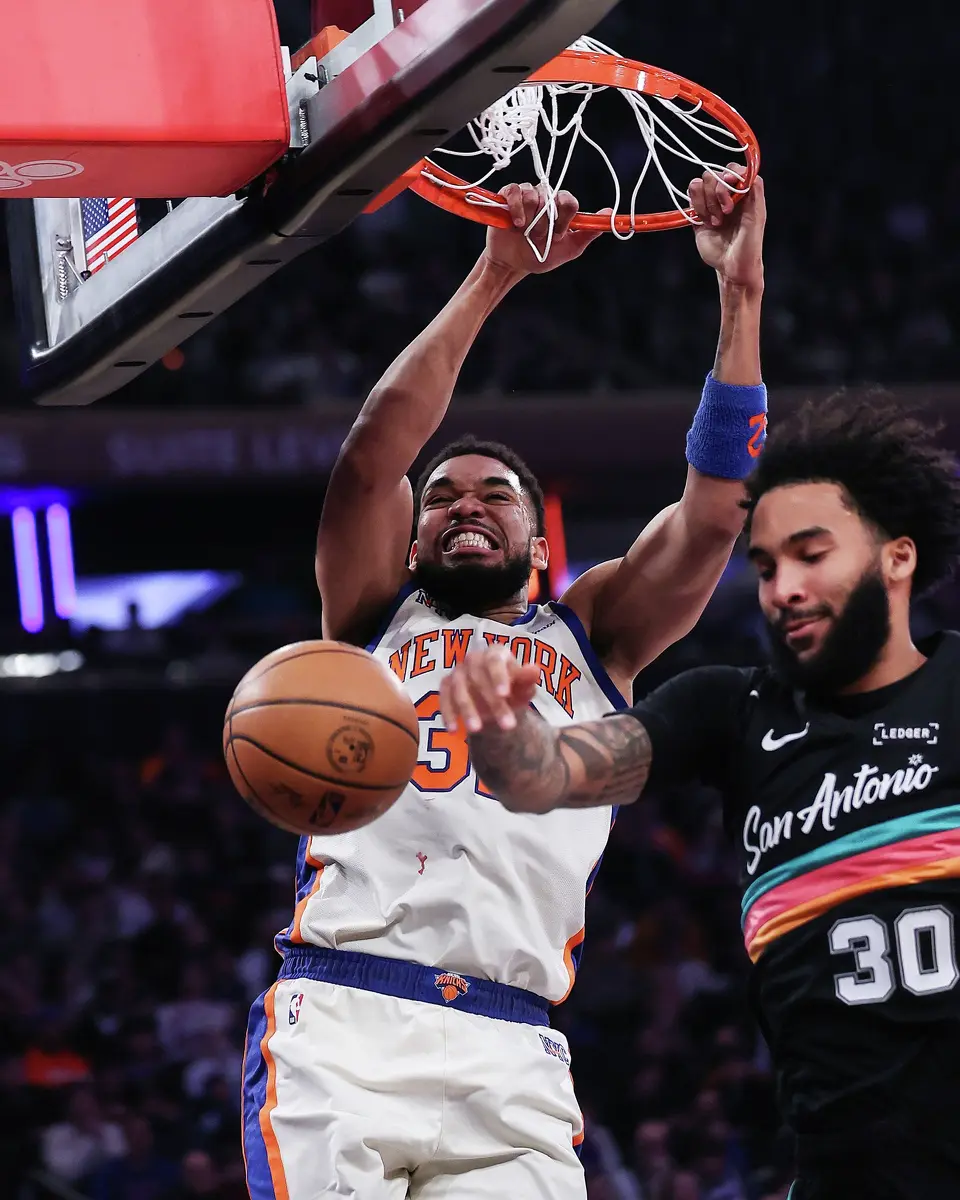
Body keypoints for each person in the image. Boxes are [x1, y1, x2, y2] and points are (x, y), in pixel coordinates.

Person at [243, 169, 768, 1199]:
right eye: (440, 496)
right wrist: (492, 276)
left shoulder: (595, 632)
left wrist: (739, 297)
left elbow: (714, 515)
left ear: (539, 542)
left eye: (495, 494)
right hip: (349, 1018)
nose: (462, 504)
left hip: (514, 1044)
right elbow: (365, 465)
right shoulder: (370, 619)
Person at [441, 397, 960, 1200]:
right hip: (841, 1170)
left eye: (811, 555)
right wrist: (512, 745)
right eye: (766, 566)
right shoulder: (731, 710)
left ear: (897, 557)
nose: (783, 588)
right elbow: (565, 771)